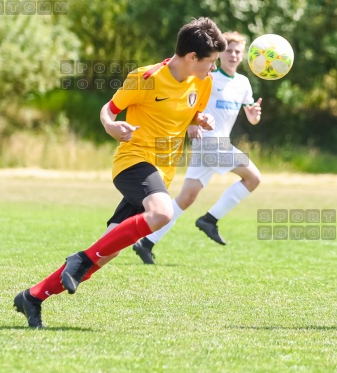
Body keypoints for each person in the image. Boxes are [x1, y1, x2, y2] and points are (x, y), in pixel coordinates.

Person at [13, 17, 227, 328]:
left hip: (161, 174)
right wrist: (111, 126)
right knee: (163, 213)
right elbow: (109, 109)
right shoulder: (146, 78)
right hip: (134, 162)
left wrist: (200, 122)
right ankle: (79, 261)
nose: (213, 68)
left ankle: (33, 297)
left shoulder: (202, 83)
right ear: (193, 57)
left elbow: (189, 116)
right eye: (211, 62)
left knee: (105, 251)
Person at [132, 31, 262, 264]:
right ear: (220, 53)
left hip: (217, 144)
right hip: (211, 142)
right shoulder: (206, 77)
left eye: (237, 52)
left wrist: (253, 116)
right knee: (253, 178)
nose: (233, 55)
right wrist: (192, 122)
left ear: (242, 56)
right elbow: (190, 101)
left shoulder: (243, 83)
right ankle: (210, 219)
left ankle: (147, 241)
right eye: (229, 50)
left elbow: (252, 117)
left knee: (187, 197)